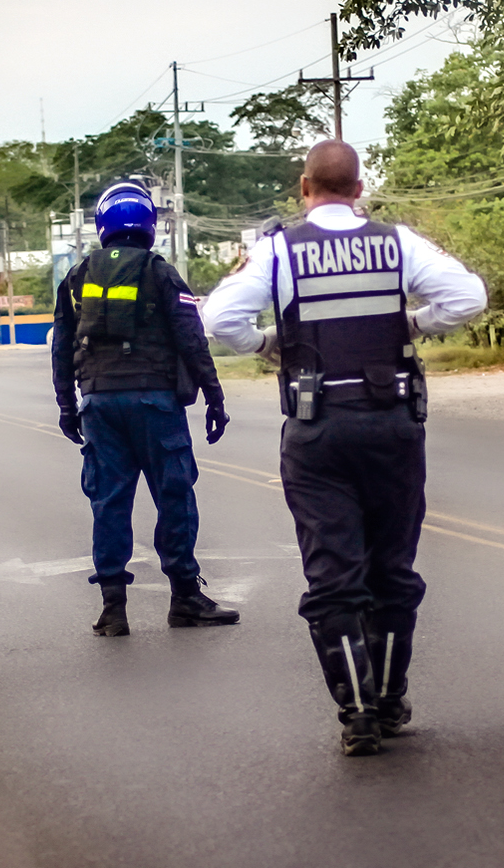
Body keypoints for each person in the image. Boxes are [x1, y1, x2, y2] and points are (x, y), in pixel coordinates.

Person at [203, 140, 486, 757]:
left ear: (304, 188)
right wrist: (413, 324)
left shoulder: (279, 249)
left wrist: (269, 342)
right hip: (392, 426)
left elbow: (218, 318)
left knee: (334, 576)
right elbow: (469, 299)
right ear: (360, 189)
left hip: (317, 428)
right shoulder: (396, 243)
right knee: (393, 570)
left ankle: (357, 712)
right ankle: (389, 700)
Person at [53, 179, 238, 638]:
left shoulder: (76, 277)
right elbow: (191, 340)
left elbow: (60, 348)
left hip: (98, 403)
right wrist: (214, 396)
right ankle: (185, 598)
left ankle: (113, 610)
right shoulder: (161, 272)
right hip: (155, 403)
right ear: (150, 224)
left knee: (109, 504)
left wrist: (66, 405)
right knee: (174, 497)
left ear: (102, 225)